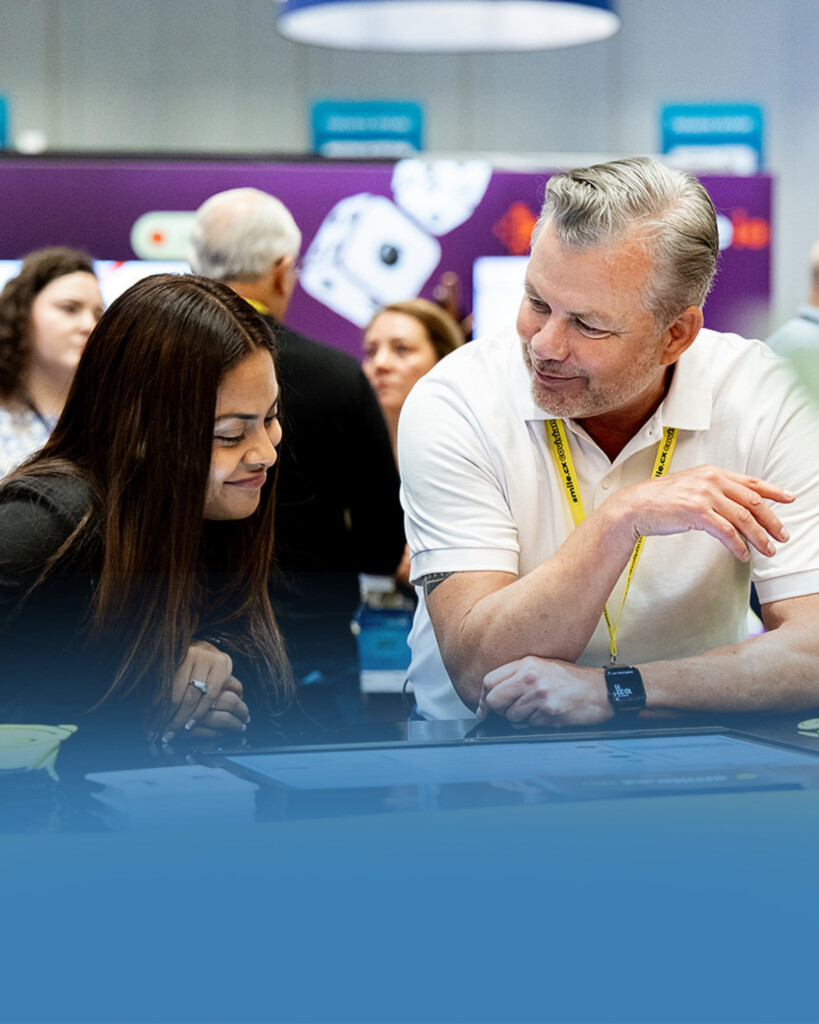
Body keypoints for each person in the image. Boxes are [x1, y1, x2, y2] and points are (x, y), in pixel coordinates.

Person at [398, 156, 819, 725]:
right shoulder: (459, 399)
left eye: (588, 325)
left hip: (692, 760)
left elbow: (811, 652)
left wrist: (616, 689)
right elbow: (478, 669)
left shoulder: (766, 397)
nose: (545, 345)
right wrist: (621, 519)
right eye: (537, 302)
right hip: (472, 762)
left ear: (676, 335)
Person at [0, 274, 293, 744]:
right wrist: (144, 702)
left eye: (271, 418)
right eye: (229, 435)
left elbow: (267, 690)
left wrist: (209, 667)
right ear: (141, 432)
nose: (265, 452)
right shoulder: (44, 526)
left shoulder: (219, 509)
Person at [188, 188, 405, 718]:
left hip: (189, 648)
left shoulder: (166, 374)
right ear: (283, 272)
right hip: (313, 651)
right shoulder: (336, 376)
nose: (260, 452)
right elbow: (382, 544)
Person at [0, 247, 104, 479]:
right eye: (70, 308)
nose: (89, 325)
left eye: (99, 314)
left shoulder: (111, 418)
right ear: (21, 313)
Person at [362, 298, 465, 460]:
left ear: (443, 359)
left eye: (401, 348)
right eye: (371, 352)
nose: (380, 363)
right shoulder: (342, 450)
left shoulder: (468, 450)